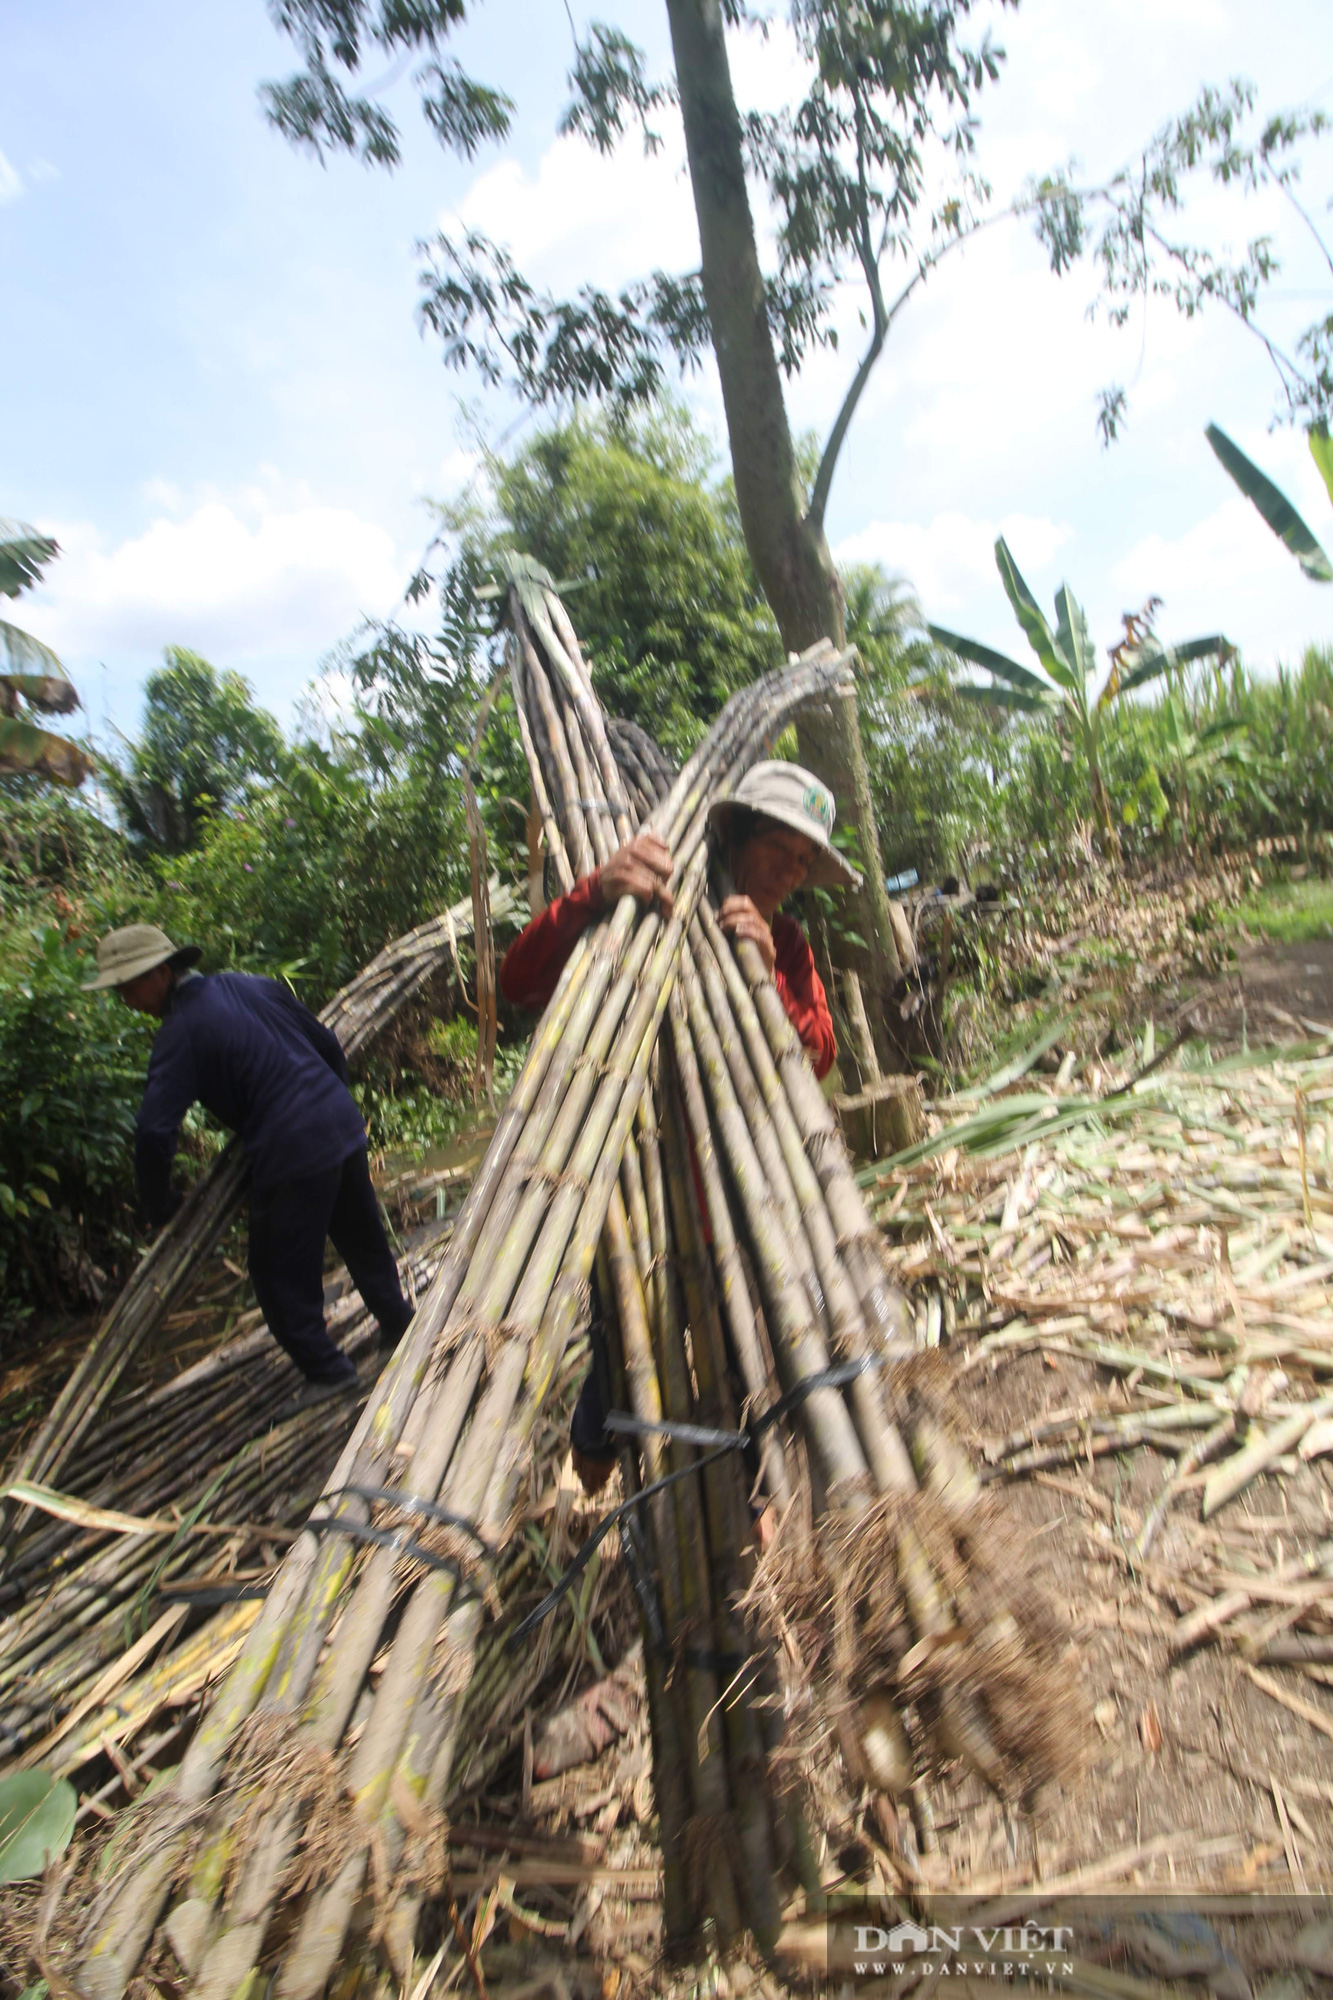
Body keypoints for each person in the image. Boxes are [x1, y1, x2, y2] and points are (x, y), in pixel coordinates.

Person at [500, 759, 858, 1487]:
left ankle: (756, 1494)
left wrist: (767, 971)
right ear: (735, 832)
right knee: (621, 1350)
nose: (790, 873)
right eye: (779, 851)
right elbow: (518, 982)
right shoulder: (641, 903)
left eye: (802, 863)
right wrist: (593, 895)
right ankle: (594, 1483)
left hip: (747, 1189)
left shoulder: (785, 941)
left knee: (748, 1345)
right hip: (639, 1192)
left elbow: (818, 1051)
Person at [84, 923, 413, 1393]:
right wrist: (331, 1103)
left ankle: (328, 1372)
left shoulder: (180, 1032)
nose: (126, 1001)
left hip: (291, 1148)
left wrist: (160, 1206)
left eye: (127, 987)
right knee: (360, 1234)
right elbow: (325, 1043)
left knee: (277, 1274)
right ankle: (397, 1320)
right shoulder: (248, 984)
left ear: (160, 973)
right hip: (339, 1123)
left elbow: (154, 1132)